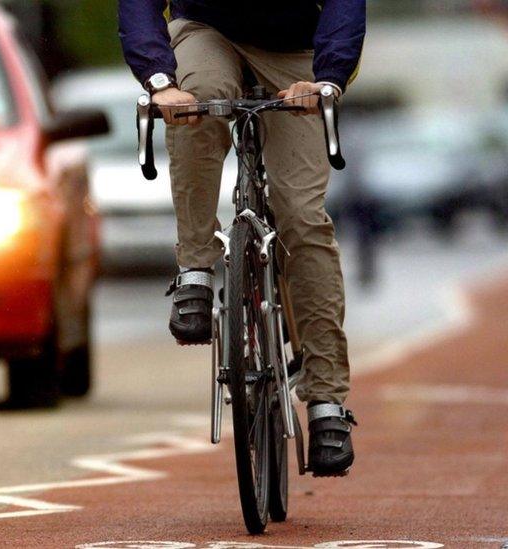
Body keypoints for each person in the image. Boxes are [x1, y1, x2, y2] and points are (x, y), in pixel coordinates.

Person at [118, 0, 365, 476]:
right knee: (198, 100)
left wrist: (328, 78)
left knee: (302, 216)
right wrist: (159, 82)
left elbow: (345, 5)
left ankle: (327, 403)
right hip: (209, 31)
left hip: (298, 50)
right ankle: (195, 267)